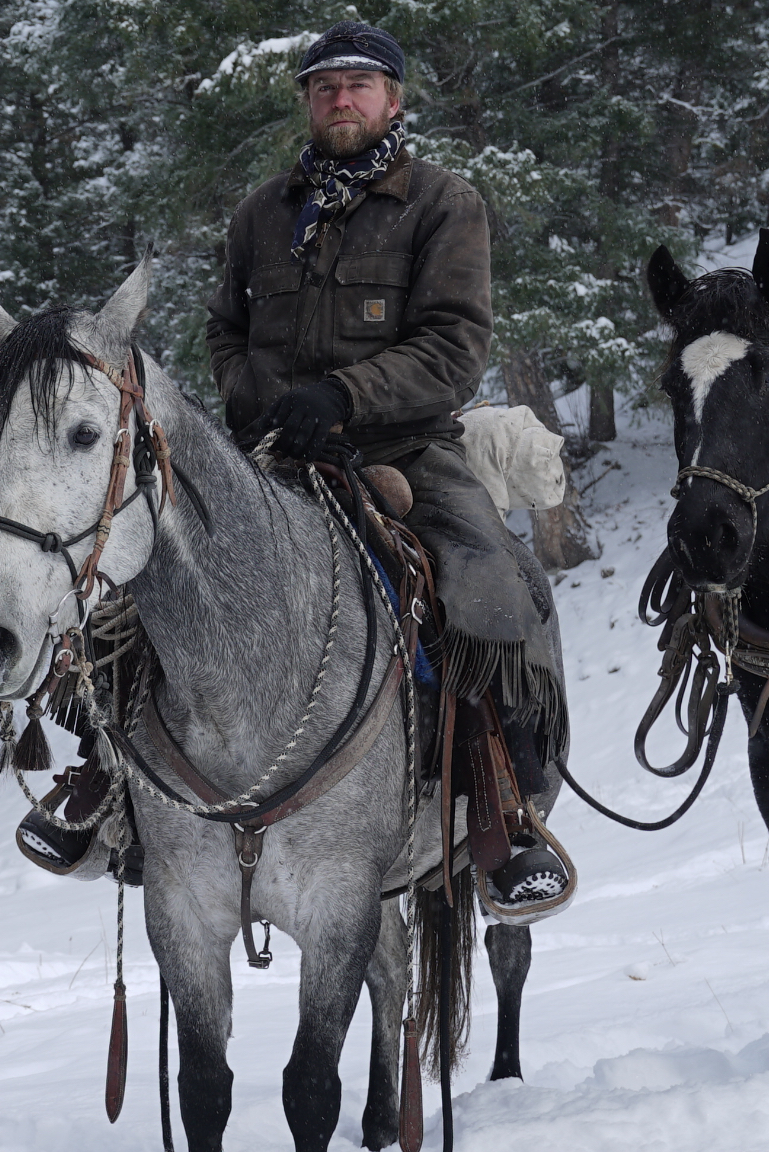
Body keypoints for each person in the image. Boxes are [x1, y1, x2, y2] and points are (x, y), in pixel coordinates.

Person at [205, 22, 570, 912]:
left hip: (404, 448)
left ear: (393, 100)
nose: (341, 99)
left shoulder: (444, 204)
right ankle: (111, 798)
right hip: (274, 456)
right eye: (325, 85)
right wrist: (261, 400)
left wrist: (344, 396)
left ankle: (504, 817)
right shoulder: (260, 213)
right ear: (306, 100)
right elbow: (224, 330)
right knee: (153, 568)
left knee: (488, 587)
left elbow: (454, 346)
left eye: (360, 85)